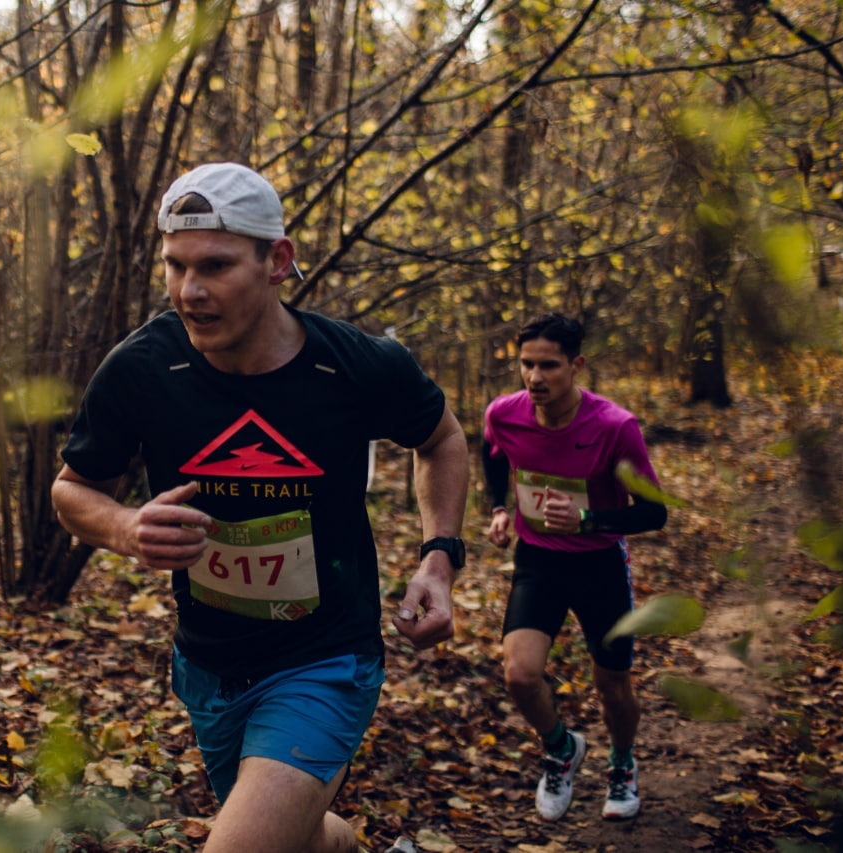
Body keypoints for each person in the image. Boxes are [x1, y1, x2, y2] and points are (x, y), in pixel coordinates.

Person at [51, 162, 469, 853]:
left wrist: (438, 559)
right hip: (208, 666)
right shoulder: (143, 369)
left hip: (325, 658)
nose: (190, 291)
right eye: (175, 266)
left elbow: (444, 438)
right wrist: (125, 527)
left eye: (214, 266)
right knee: (296, 836)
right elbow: (71, 489)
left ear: (278, 260)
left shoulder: (355, 365)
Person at [481, 313, 667, 823]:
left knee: (612, 686)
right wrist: (499, 507)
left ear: (577, 365)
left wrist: (589, 519)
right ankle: (562, 748)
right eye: (526, 365)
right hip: (538, 559)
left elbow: (655, 511)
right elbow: (493, 454)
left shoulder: (614, 427)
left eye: (549, 366)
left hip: (599, 564)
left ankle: (623, 764)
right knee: (520, 676)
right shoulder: (505, 413)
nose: (535, 378)